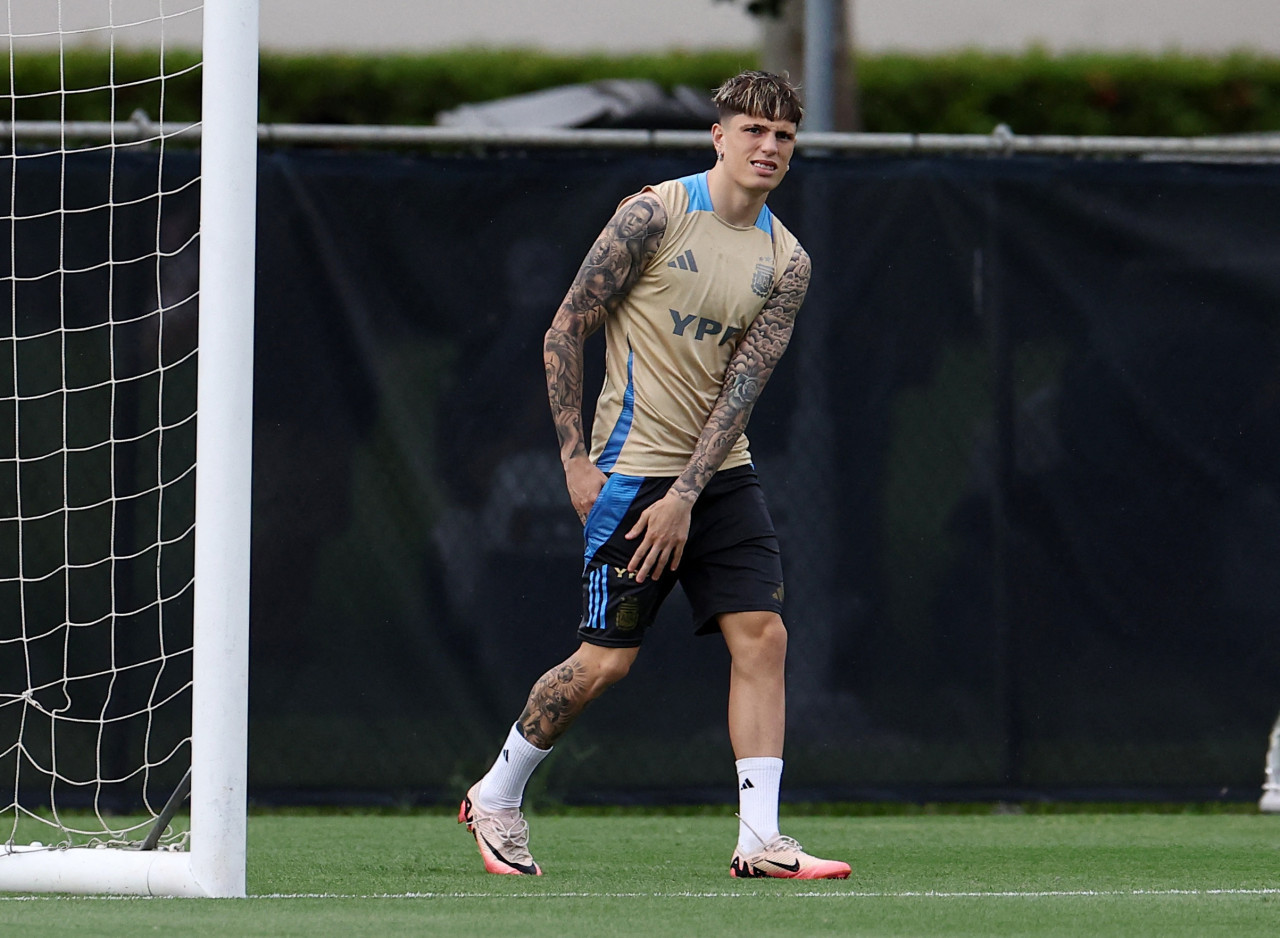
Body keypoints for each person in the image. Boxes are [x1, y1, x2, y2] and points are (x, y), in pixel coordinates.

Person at [458, 70, 850, 880]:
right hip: (629, 473)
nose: (768, 148)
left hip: (716, 476)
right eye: (753, 131)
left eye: (783, 136)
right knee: (606, 662)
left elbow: (741, 392)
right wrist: (574, 458)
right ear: (720, 135)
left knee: (763, 636)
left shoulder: (787, 260)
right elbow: (565, 328)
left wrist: (689, 494)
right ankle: (495, 795)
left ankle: (760, 841)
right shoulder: (655, 214)